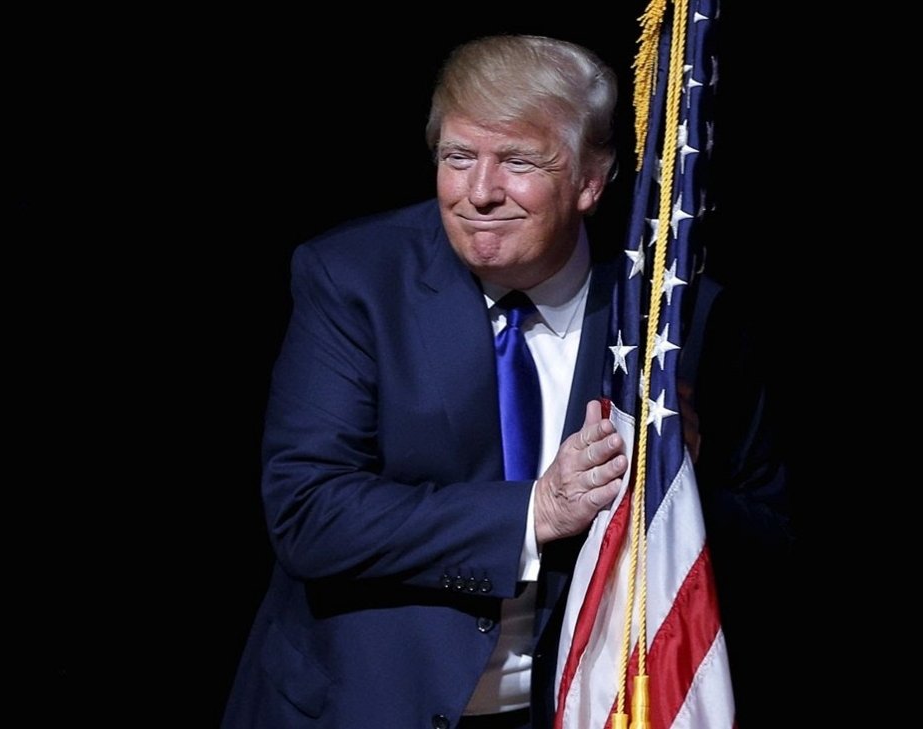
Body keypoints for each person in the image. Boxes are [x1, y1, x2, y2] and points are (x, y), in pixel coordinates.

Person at [220, 34, 791, 729]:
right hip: (361, 707)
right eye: (458, 157)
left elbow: (770, 540)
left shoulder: (677, 316)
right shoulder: (355, 280)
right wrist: (534, 513)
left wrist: (679, 485)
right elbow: (309, 512)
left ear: (589, 180)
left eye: (518, 161)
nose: (479, 192)